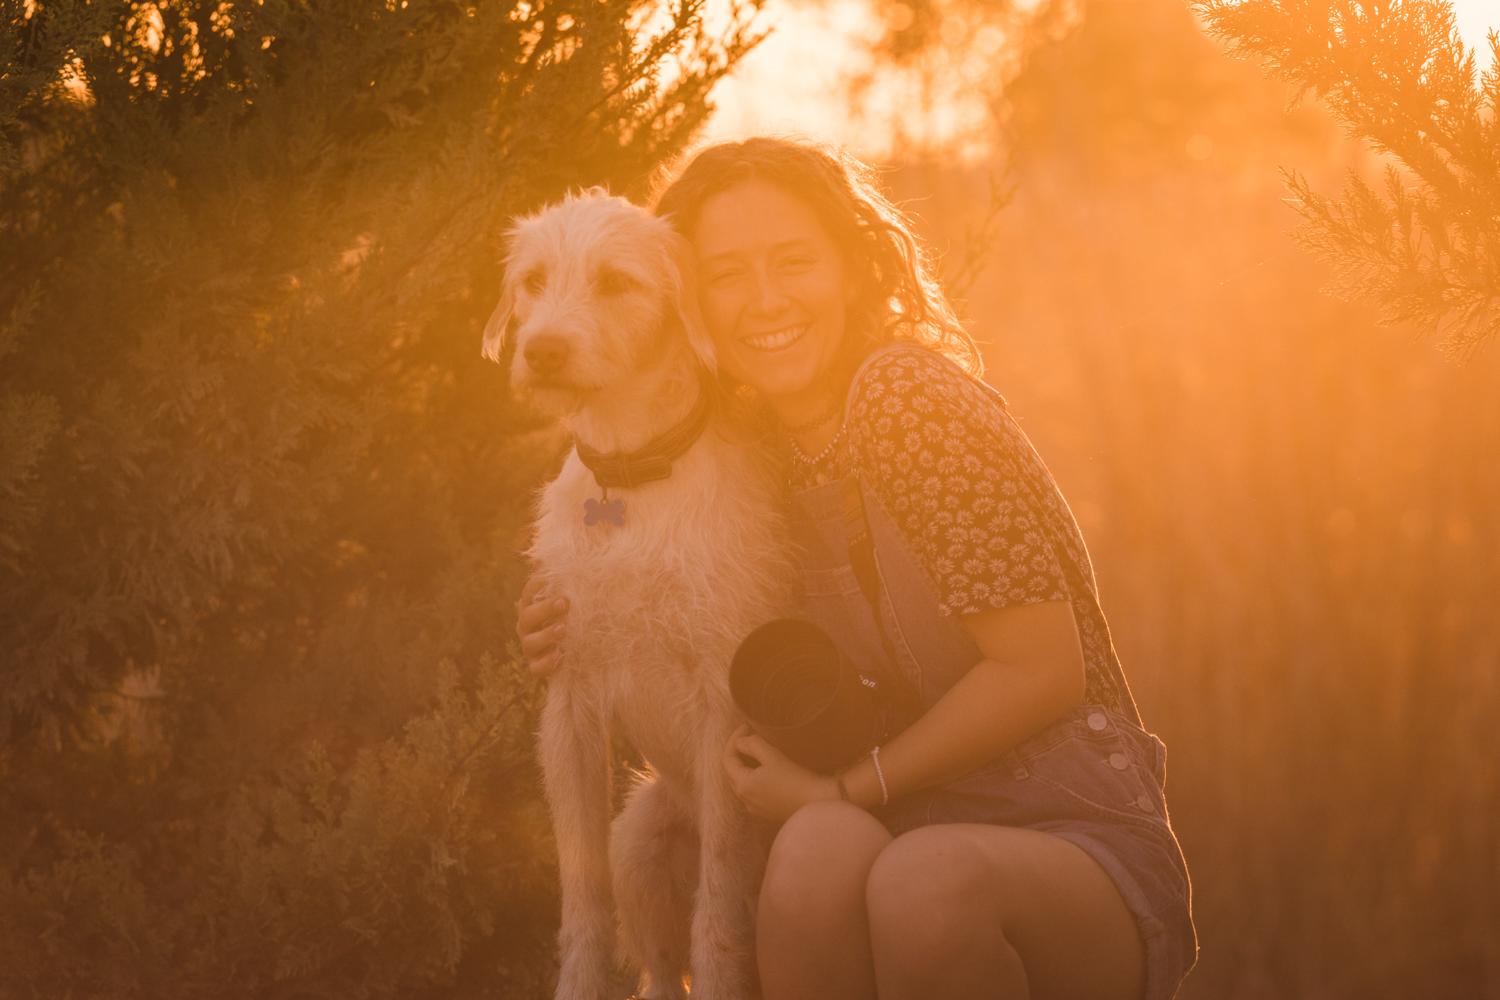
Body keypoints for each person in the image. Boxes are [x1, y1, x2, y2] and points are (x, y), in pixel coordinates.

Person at [514, 136, 1197, 1000]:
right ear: (690, 302)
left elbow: (1044, 670)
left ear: (852, 268)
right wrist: (565, 612)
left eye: (795, 261)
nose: (765, 300)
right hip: (883, 819)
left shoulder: (909, 400)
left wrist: (843, 784)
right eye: (727, 273)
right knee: (812, 850)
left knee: (924, 881)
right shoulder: (749, 440)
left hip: (1058, 825)